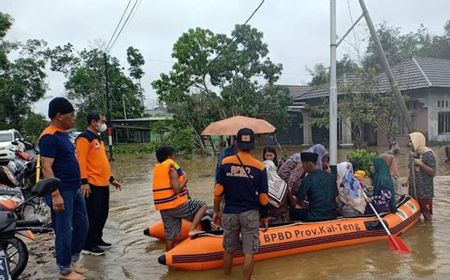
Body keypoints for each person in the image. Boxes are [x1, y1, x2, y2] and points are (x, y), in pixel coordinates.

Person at [39, 97, 88, 280]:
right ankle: (64, 269)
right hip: (62, 191)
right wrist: (55, 194)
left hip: (75, 189)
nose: (73, 119)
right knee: (64, 230)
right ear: (59, 116)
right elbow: (46, 167)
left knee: (83, 226)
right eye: (71, 115)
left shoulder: (63, 134)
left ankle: (72, 261)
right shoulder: (49, 137)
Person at [213, 128, 269, 280]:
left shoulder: (224, 163)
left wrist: (216, 212)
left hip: (230, 212)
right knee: (249, 252)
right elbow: (263, 198)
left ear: (236, 143)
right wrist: (265, 217)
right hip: (250, 213)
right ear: (253, 145)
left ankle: (227, 276)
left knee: (228, 250)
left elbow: (218, 191)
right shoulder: (260, 167)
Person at [75, 111, 121, 256]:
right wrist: (84, 182)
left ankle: (97, 238)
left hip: (103, 183)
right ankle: (88, 244)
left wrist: (111, 178)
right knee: (92, 214)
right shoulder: (84, 138)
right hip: (91, 183)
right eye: (102, 121)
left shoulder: (98, 139)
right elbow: (81, 161)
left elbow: (103, 162)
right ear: (93, 122)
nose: (103, 124)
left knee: (102, 213)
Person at [152, 146, 207, 251]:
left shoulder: (159, 169)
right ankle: (193, 229)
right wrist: (185, 181)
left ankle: (168, 257)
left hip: (164, 208)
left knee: (169, 236)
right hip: (177, 206)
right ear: (169, 157)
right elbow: (177, 190)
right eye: (174, 155)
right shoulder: (172, 170)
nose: (175, 157)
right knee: (202, 205)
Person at [290, 152, 338, 222]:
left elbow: (299, 199)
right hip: (332, 215)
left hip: (315, 216)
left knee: (292, 211)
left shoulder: (308, 178)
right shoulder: (331, 176)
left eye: (303, 165)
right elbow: (335, 196)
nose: (302, 167)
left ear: (308, 164)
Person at [408, 132, 436, 221]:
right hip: (413, 190)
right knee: (415, 215)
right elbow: (412, 170)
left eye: (411, 141)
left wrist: (422, 164)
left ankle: (428, 233)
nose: (409, 144)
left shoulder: (428, 154)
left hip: (425, 192)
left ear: (417, 141)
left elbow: (433, 172)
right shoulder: (413, 154)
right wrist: (408, 180)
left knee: (426, 215)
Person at [264, 160, 289, 224]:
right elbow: (292, 203)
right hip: (284, 219)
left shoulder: (261, 187)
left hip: (268, 221)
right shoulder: (283, 185)